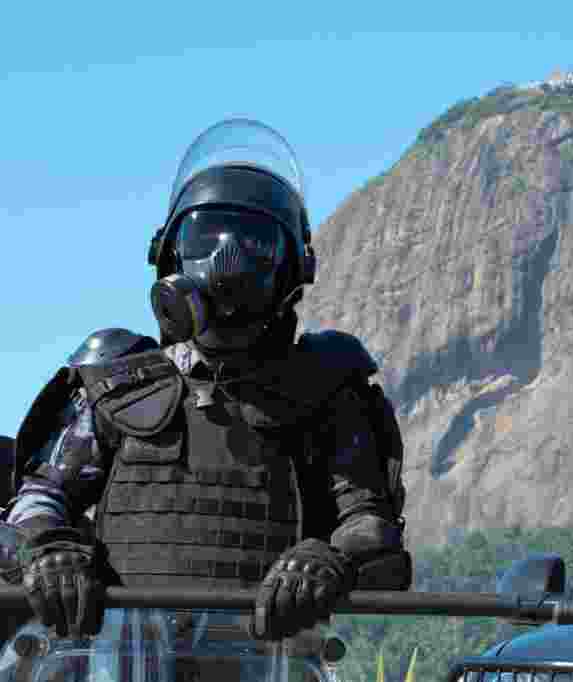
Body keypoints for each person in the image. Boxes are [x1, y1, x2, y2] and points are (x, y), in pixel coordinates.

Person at [4, 120, 412, 655]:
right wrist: (50, 549)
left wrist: (327, 559)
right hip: (117, 660)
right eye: (207, 241)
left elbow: (371, 528)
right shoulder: (118, 381)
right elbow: (37, 499)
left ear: (291, 265)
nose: (227, 263)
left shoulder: (327, 388)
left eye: (253, 245)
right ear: (172, 255)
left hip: (267, 663)